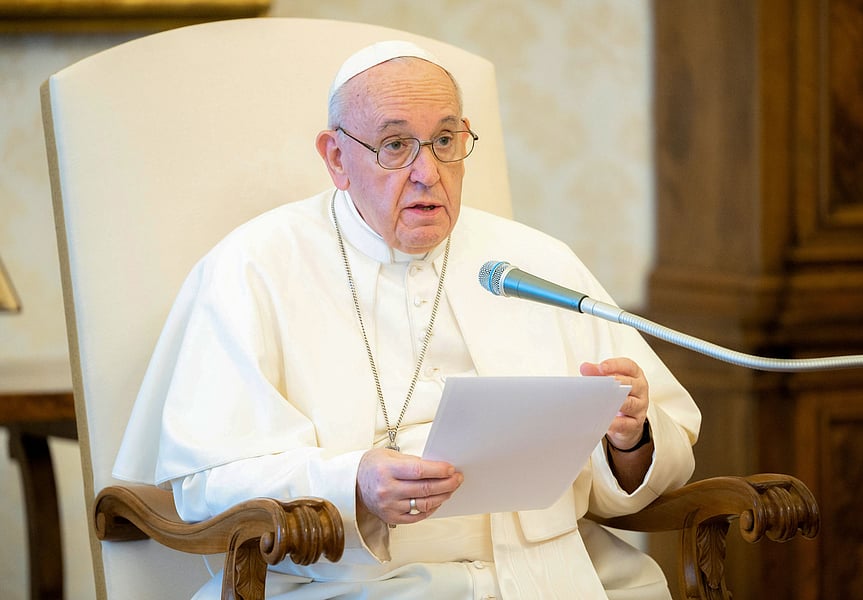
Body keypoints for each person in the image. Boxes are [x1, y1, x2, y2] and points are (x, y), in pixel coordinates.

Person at [113, 40, 701, 599]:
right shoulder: (254, 266)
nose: (428, 172)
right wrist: (353, 483)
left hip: (555, 575)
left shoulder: (534, 261)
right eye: (395, 145)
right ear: (337, 158)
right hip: (344, 584)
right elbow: (204, 483)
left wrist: (632, 438)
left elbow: (652, 459)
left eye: (445, 139)